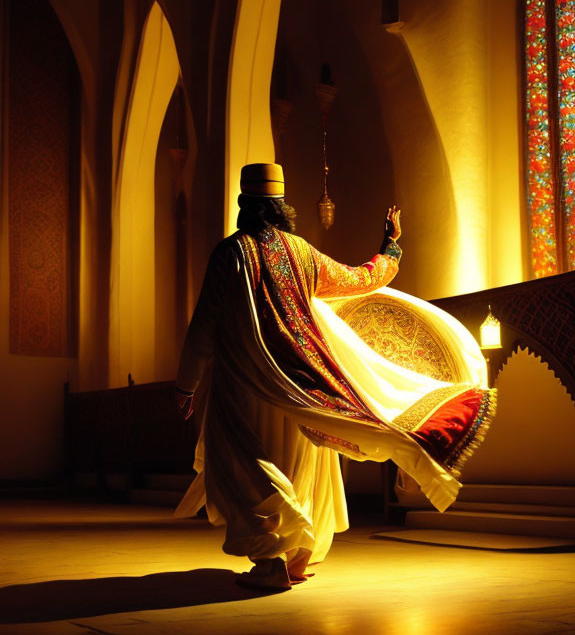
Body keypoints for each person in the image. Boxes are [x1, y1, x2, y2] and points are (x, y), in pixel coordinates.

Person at [174, 163, 494, 591]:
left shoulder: (230, 253)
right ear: (280, 207)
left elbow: (204, 326)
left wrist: (186, 384)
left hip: (246, 387)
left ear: (244, 205)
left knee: (243, 470)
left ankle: (270, 563)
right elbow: (360, 279)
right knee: (304, 466)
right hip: (303, 387)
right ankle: (298, 559)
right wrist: (390, 247)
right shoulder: (302, 253)